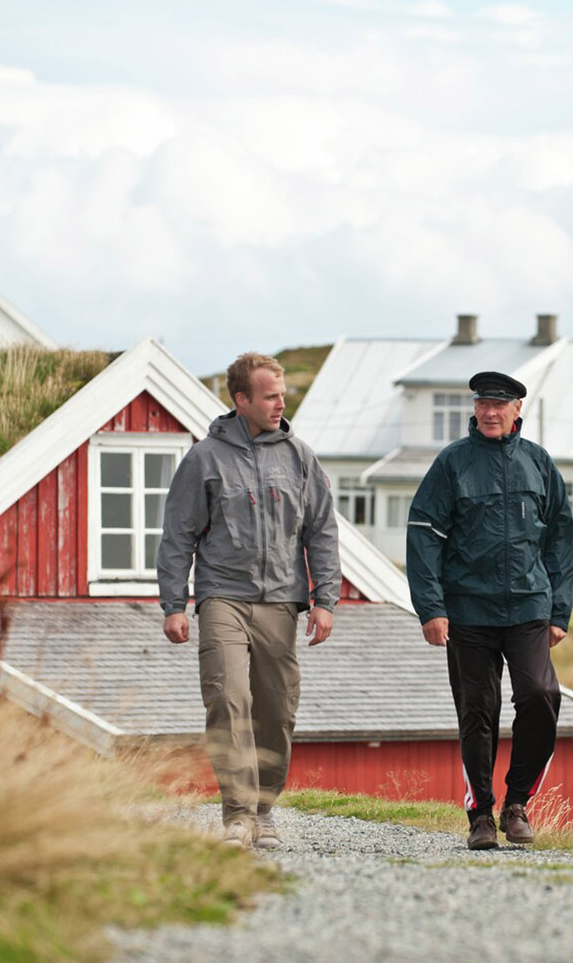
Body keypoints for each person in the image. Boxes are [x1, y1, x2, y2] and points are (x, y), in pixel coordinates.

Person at [157, 352, 340, 851]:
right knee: (228, 697)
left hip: (282, 601)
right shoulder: (204, 459)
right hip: (223, 597)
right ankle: (237, 814)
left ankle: (264, 809)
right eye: (270, 396)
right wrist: (174, 603)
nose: (281, 403)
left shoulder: (300, 456)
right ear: (241, 400)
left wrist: (326, 599)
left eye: (282, 395)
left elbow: (321, 529)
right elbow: (178, 534)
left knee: (277, 710)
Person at [406, 370, 573, 850]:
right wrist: (431, 608)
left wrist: (559, 611)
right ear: (475, 408)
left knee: (541, 696)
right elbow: (423, 533)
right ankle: (480, 813)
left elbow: (561, 539)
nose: (490, 411)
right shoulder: (452, 463)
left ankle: (517, 803)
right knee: (478, 712)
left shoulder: (539, 464)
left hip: (529, 607)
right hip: (468, 611)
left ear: (518, 410)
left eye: (500, 403)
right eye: (483, 402)